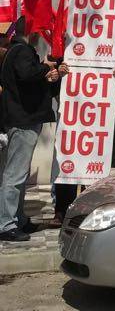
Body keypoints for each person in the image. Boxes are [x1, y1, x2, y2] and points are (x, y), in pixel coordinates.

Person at [0, 25, 59, 241]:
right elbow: (27, 74)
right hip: (23, 120)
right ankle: (6, 224)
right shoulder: (22, 51)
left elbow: (26, 80)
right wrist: (45, 67)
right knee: (14, 174)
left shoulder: (13, 52)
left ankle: (18, 219)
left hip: (20, 118)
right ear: (32, 32)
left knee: (18, 173)